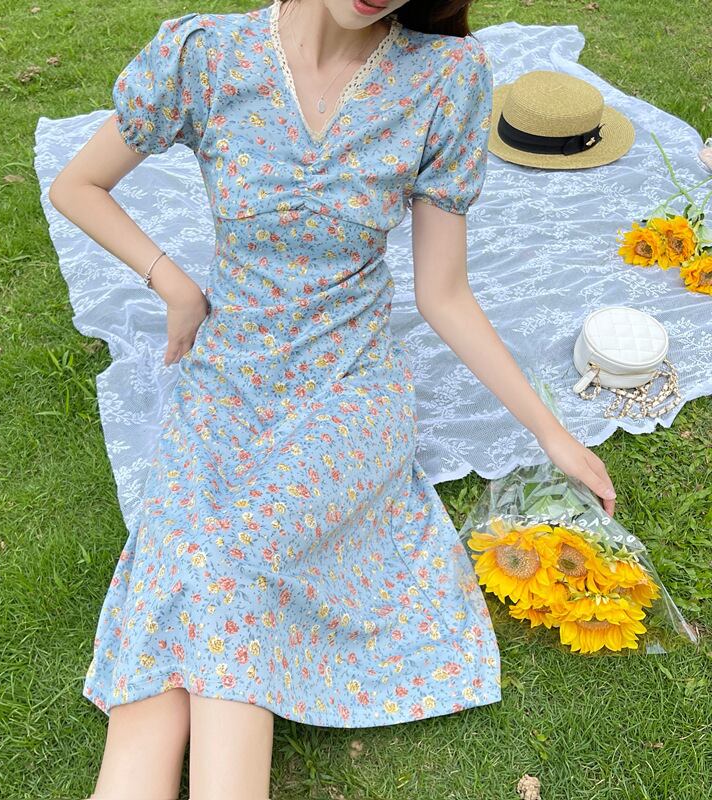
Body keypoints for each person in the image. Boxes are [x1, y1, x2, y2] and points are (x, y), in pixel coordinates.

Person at [48, 0, 618, 798]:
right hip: (226, 374)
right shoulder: (206, 56)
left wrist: (553, 435)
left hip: (349, 384)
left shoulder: (443, 79)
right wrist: (172, 283)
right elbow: (77, 183)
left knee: (232, 556)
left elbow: (444, 294)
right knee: (183, 555)